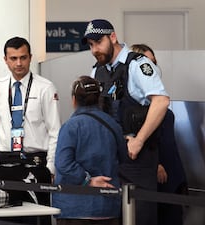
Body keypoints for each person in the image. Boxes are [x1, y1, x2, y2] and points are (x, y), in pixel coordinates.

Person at [82, 19, 170, 225]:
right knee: (112, 218)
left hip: (137, 160)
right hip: (109, 160)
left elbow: (161, 101)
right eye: (90, 45)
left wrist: (139, 140)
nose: (95, 49)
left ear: (112, 37)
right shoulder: (98, 70)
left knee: (140, 217)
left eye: (98, 42)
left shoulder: (138, 64)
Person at [0, 36, 61, 224]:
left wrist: (51, 166)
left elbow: (55, 131)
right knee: (6, 220)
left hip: (37, 164)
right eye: (13, 58)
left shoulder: (45, 87)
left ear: (30, 57)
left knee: (38, 220)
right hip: (5, 165)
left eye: (23, 57)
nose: (19, 63)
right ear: (5, 60)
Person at [52, 75, 124, 225]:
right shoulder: (113, 125)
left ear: (74, 99)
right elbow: (124, 159)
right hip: (107, 207)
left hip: (74, 209)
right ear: (99, 99)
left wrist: (87, 181)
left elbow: (63, 163)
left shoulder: (71, 127)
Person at [131, 43, 188, 225]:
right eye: (147, 62)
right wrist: (155, 163)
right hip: (153, 177)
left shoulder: (157, 98)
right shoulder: (133, 107)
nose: (151, 67)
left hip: (173, 176)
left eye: (153, 62)